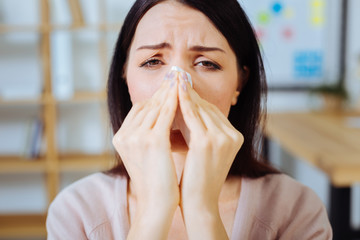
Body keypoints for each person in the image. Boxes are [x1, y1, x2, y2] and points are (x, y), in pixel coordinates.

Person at [46, 0, 332, 239]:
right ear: (125, 75)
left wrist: (202, 210)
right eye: (153, 61)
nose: (180, 89)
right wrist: (154, 211)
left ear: (239, 84)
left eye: (207, 63)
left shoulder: (296, 211)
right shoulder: (76, 213)